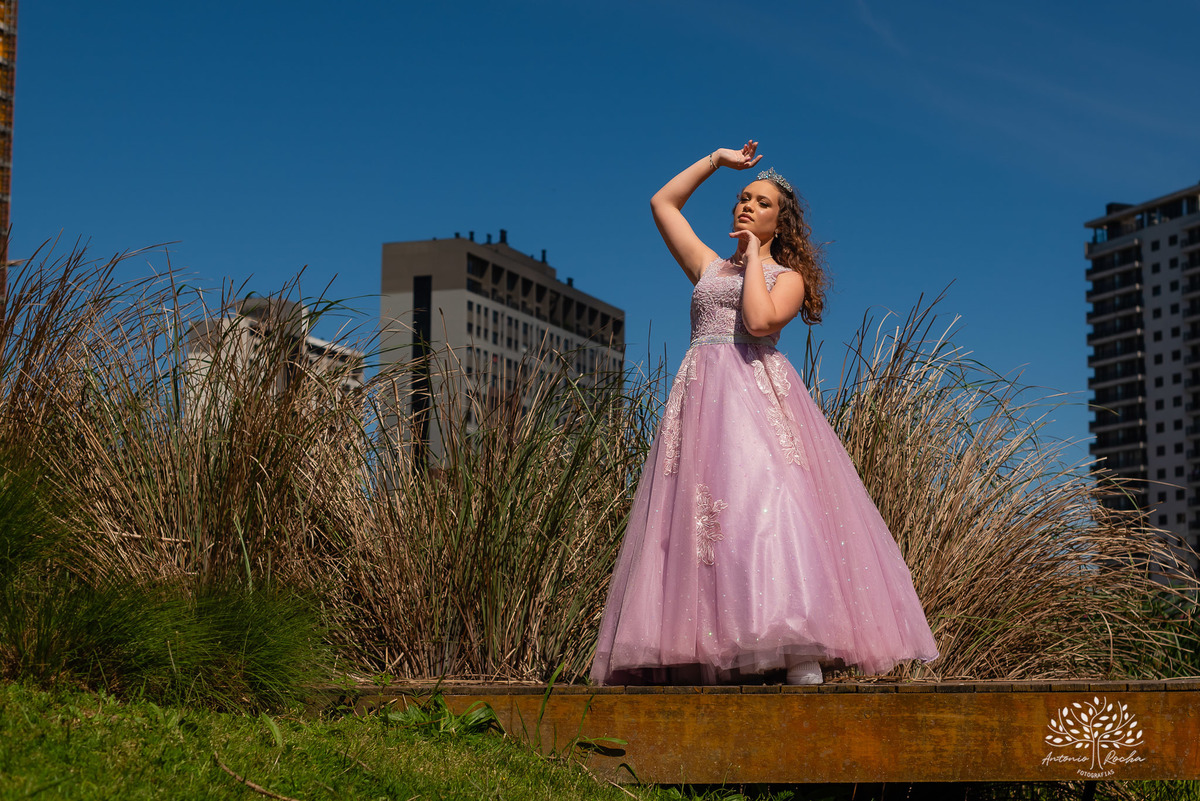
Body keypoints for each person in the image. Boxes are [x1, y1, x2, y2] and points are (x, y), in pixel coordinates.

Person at [590, 141, 939, 686]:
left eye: (761, 202)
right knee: (697, 524)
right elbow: (662, 203)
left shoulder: (788, 278)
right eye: (742, 198)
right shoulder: (708, 268)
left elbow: (757, 322)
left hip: (755, 400)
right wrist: (716, 161)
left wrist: (755, 256)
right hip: (700, 400)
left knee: (768, 511)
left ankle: (797, 649)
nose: (746, 206)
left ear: (782, 221)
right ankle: (708, 656)